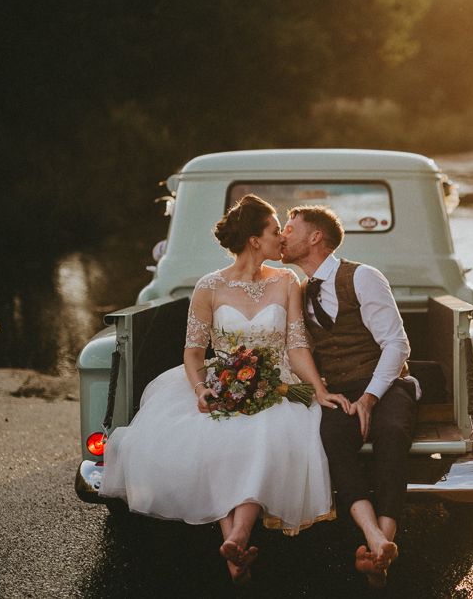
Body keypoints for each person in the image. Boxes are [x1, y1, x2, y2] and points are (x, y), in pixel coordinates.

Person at [100, 194, 348, 584]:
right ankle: (235, 542)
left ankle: (237, 539)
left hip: (280, 384)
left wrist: (316, 388)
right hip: (220, 380)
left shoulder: (287, 282)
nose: (281, 238)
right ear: (254, 240)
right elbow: (194, 353)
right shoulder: (208, 287)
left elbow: (297, 345)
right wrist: (200, 389)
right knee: (214, 437)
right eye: (273, 230)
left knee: (262, 435)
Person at [281, 205, 419, 588]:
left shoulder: (362, 277)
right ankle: (375, 540)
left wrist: (371, 398)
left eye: (289, 228)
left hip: (386, 383)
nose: (282, 235)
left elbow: (397, 344)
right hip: (340, 389)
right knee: (332, 439)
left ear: (315, 237)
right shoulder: (298, 290)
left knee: (392, 433)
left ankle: (380, 548)